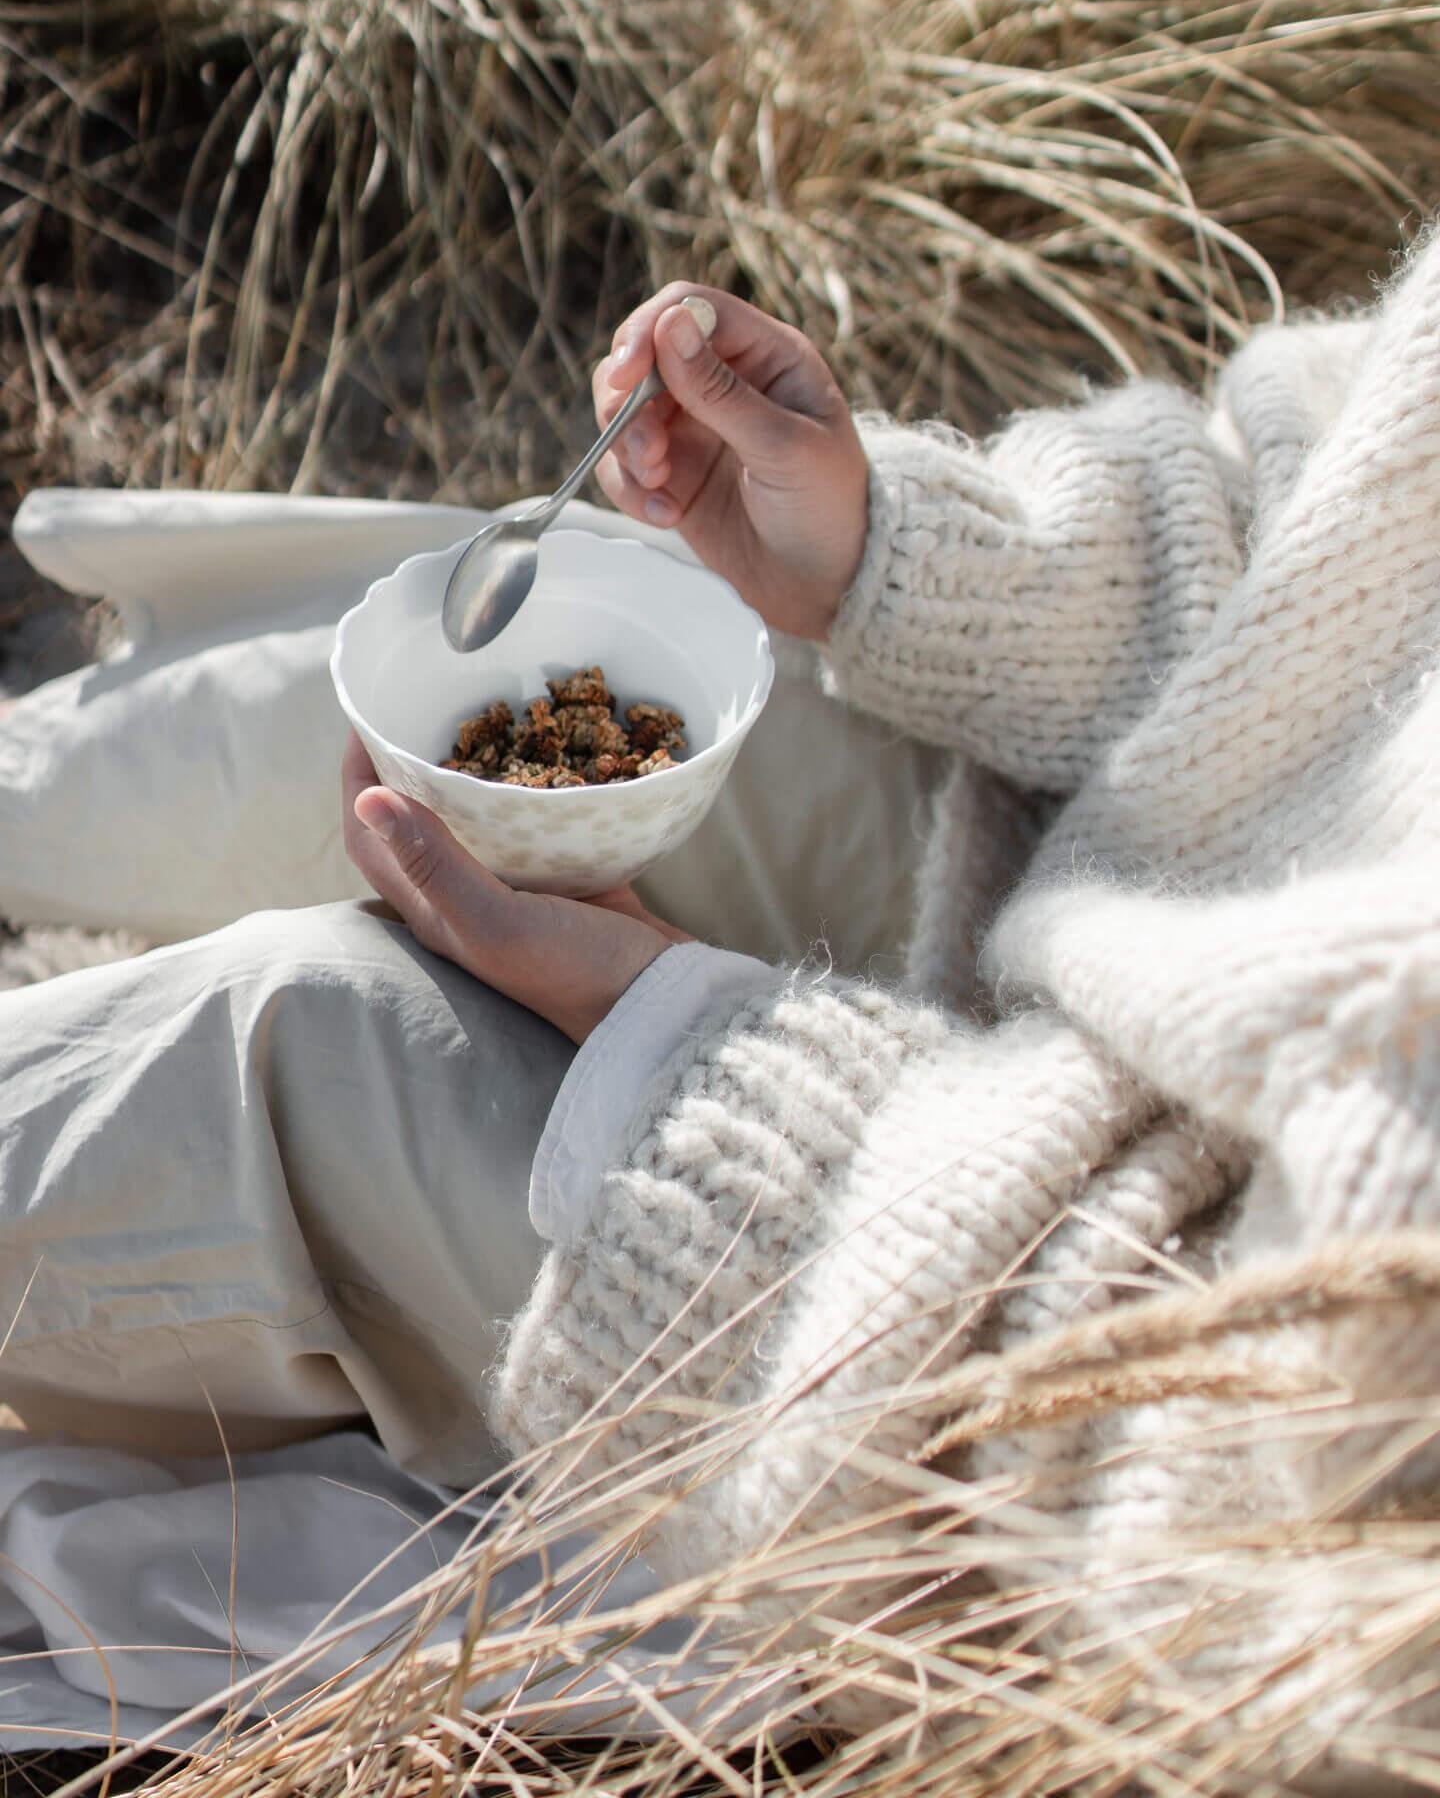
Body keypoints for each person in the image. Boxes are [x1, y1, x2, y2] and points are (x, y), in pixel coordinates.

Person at [0, 237, 1437, 1758]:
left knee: (317, 1034)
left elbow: (1234, 1506)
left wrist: (703, 1070)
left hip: (913, 1267)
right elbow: (1353, 519)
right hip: (1101, 820)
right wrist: (918, 562)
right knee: (391, 681)